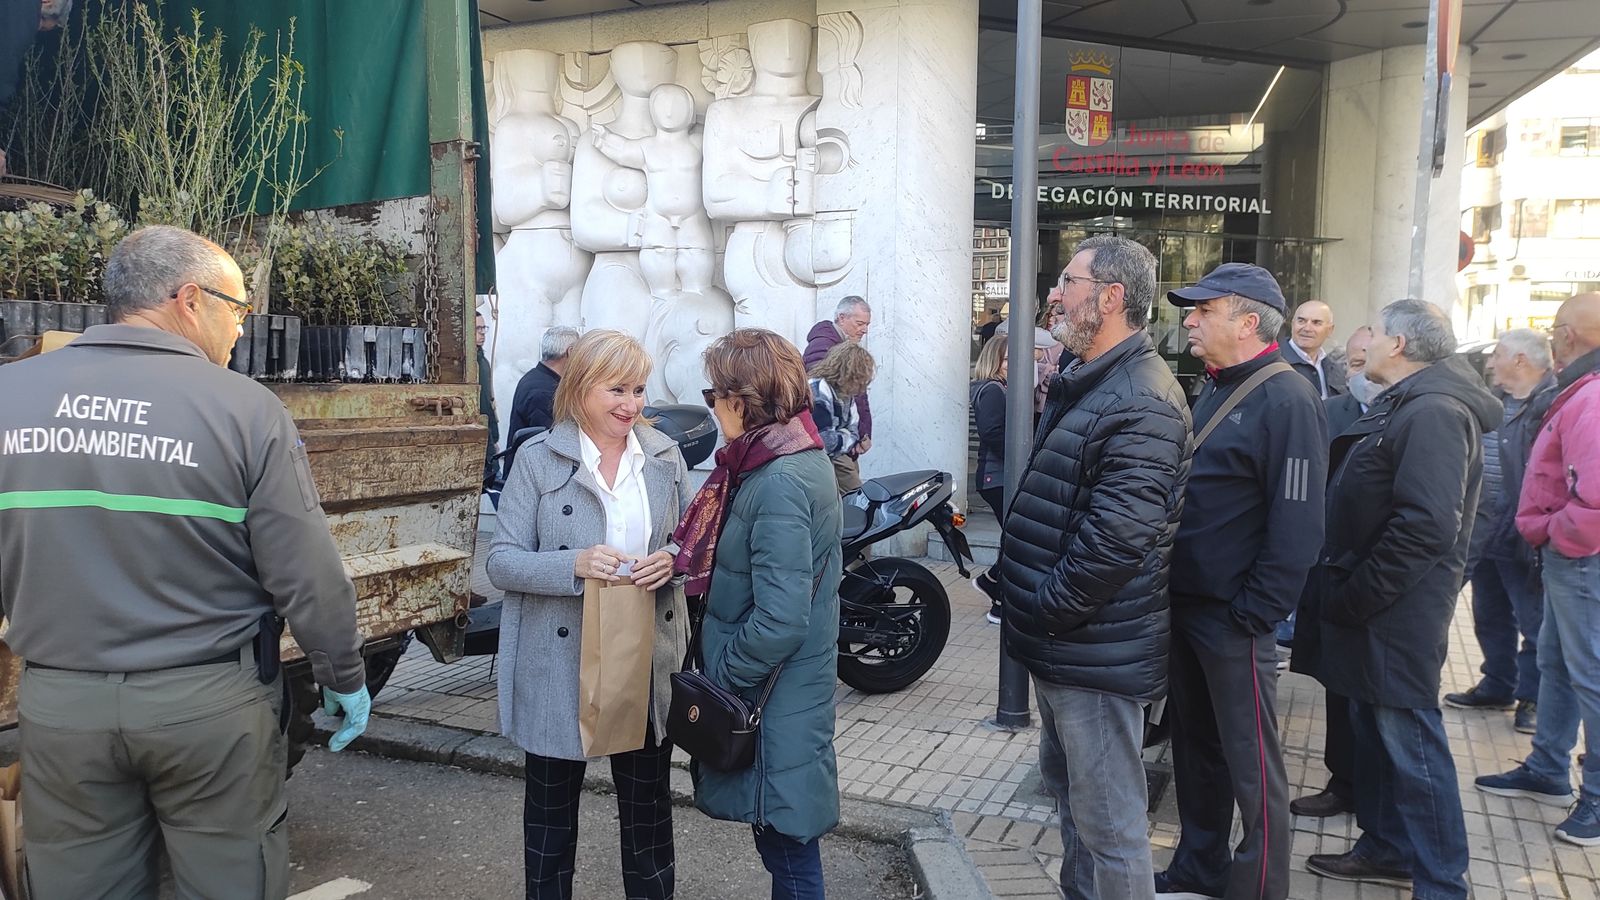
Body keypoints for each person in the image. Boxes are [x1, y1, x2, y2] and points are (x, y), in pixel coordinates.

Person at [0, 225, 369, 899]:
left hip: (61, 705)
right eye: (238, 307)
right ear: (190, 299)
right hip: (209, 709)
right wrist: (341, 674)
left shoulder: (9, 397)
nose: (241, 326)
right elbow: (309, 576)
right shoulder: (244, 409)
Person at [993, 235, 1193, 900]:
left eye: (1068, 282)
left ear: (1110, 298)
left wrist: (1044, 608)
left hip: (1089, 650)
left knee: (1110, 827)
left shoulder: (1141, 398)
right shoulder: (1094, 380)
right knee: (1074, 800)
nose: (1054, 295)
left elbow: (1116, 538)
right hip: (1067, 645)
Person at [486, 329, 691, 900]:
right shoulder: (536, 458)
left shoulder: (663, 455)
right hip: (560, 661)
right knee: (551, 816)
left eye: (639, 389)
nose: (631, 404)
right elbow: (500, 562)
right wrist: (572, 564)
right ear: (580, 389)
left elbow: (689, 542)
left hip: (642, 653)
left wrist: (671, 560)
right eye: (616, 389)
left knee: (647, 812)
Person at [1303, 299, 1498, 899]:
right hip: (1376, 611)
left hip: (1394, 615)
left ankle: (1441, 882)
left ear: (1401, 345)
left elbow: (1426, 527)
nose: (1364, 343)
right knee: (1380, 742)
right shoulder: (1409, 402)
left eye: (1377, 333)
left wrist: (1358, 595)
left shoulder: (1434, 410)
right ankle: (1387, 847)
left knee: (1412, 747)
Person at [1156, 264, 1327, 900]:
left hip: (1233, 617)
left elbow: (1299, 523)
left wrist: (1255, 612)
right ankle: (1199, 866)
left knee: (1253, 764)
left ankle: (1259, 886)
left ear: (1249, 322)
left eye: (1205, 311)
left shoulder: (1288, 398)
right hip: (1190, 606)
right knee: (1197, 747)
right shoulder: (1216, 385)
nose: (1190, 321)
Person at [675, 328, 844, 900]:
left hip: (774, 699)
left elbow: (781, 618)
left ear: (742, 401)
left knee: (789, 849)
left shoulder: (777, 480)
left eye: (713, 395)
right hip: (786, 693)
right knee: (784, 843)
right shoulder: (790, 456)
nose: (711, 407)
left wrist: (720, 680)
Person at [1475, 293, 1600, 847]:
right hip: (1570, 556)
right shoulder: (1581, 388)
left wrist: (1549, 531)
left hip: (1580, 558)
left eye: (1555, 328)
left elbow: (1594, 499)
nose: (1551, 337)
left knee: (1589, 674)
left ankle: (1594, 799)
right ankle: (1548, 767)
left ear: (1568, 334)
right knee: (1556, 661)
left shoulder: (1591, 395)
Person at [1287, 324, 1377, 821]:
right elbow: (1302, 482)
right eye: (1356, 364)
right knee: (1338, 688)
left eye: (1370, 361)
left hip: (1380, 581)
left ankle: (1380, 807)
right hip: (1333, 572)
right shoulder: (1330, 411)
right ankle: (1343, 782)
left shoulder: (1414, 415)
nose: (1365, 373)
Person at [1447, 328, 1556, 735]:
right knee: (1489, 614)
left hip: (1525, 535)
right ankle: (1498, 685)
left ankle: (1533, 699)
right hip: (1487, 529)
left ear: (1521, 360)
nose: (1490, 363)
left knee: (1534, 623)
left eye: (1498, 356)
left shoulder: (1553, 404)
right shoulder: (1493, 402)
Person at [969, 334, 1008, 624]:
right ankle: (998, 602)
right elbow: (992, 432)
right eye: (1007, 359)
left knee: (1014, 537)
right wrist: (1019, 456)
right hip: (997, 476)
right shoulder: (993, 390)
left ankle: (992, 581)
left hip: (997, 475)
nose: (1012, 364)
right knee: (1017, 540)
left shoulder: (996, 387)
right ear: (994, 361)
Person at [804, 295, 873, 452]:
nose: (865, 330)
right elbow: (819, 395)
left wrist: (861, 433)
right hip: (834, 444)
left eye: (867, 324)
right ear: (842, 318)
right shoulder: (822, 346)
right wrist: (856, 437)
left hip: (842, 438)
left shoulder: (838, 345)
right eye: (860, 324)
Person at [507, 324, 579, 469]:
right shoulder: (544, 391)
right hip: (532, 475)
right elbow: (551, 444)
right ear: (571, 352)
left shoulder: (536, 377)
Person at [807, 340, 876, 493]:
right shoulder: (818, 390)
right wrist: (849, 438)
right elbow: (826, 441)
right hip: (821, 457)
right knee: (856, 495)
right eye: (860, 379)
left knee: (854, 487)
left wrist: (846, 436)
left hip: (838, 453)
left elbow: (853, 426)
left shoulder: (845, 392)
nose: (861, 387)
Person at [1282, 300, 1347, 399]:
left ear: (1330, 330)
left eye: (1316, 323)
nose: (1307, 328)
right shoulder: (1276, 362)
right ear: (1293, 324)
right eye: (1301, 321)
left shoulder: (1335, 367)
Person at [1324, 327, 1376, 438]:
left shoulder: (1409, 412)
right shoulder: (1325, 412)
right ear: (1346, 368)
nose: (1367, 373)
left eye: (1376, 363)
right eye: (1358, 364)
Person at [477, 312, 501, 491]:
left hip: (488, 435)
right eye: (477, 329)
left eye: (483, 328)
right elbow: (482, 405)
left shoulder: (482, 361)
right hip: (482, 436)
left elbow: (487, 401)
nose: (482, 333)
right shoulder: (473, 363)